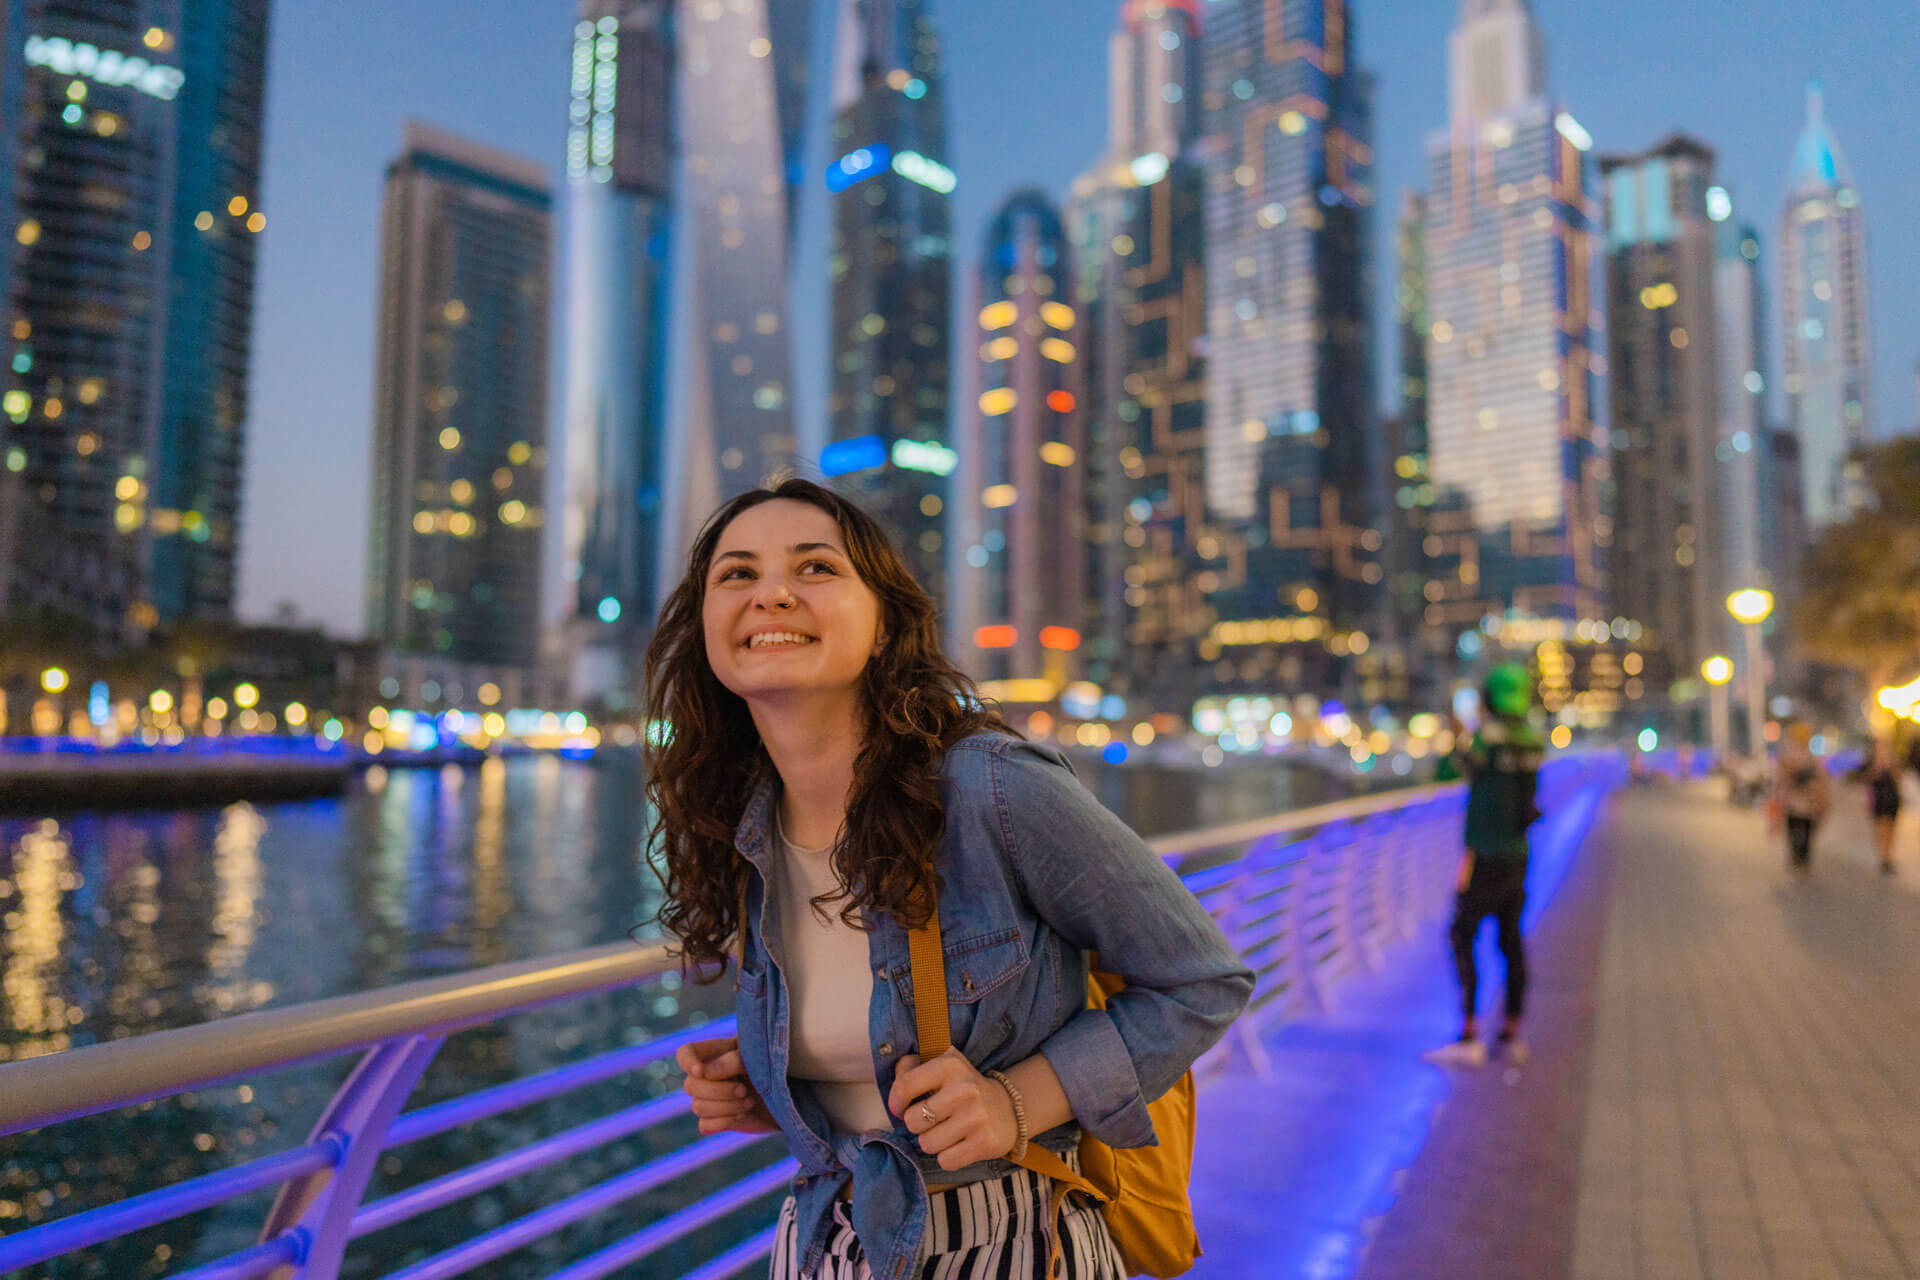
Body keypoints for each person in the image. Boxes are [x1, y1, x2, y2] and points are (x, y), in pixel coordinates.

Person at [651, 479, 1253, 1280]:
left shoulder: (987, 786)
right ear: (705, 627)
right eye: (737, 575)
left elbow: (1203, 980)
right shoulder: (742, 825)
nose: (772, 595)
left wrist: (1017, 1103)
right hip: (827, 1243)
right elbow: (876, 1047)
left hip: (1009, 1243)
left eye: (816, 568)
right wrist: (779, 1083)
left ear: (884, 625)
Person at [1427, 663, 1545, 1068]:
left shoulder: (1485, 741)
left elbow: (1445, 773)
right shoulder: (1532, 741)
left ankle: (1469, 1031)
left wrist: (1457, 737)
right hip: (1518, 855)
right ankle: (1511, 1032)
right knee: (1511, 941)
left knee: (1462, 934)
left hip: (1481, 855)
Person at [1774, 723, 1829, 873]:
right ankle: (1799, 857)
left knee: (1802, 829)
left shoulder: (1811, 757)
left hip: (1806, 799)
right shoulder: (1796, 756)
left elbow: (1821, 779)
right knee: (1800, 829)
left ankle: (1800, 857)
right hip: (1797, 799)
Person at [1863, 740, 1902, 876]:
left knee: (1891, 830)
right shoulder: (1872, 764)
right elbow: (1867, 782)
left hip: (1892, 800)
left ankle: (1888, 855)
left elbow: (1898, 780)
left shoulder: (1893, 764)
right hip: (1880, 801)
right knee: (1881, 829)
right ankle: (1883, 857)